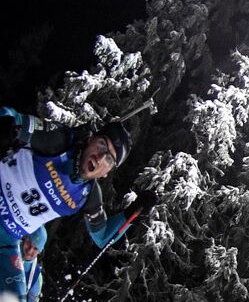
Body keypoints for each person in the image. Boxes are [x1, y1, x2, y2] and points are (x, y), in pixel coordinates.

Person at [1, 105, 150, 268]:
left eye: (109, 160)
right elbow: (12, 115)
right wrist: (7, 125)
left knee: (14, 294)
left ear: (106, 173)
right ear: (90, 139)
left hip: (7, 239)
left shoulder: (88, 195)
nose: (100, 158)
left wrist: (132, 212)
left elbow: (102, 239)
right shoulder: (60, 141)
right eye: (101, 145)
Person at [2, 225, 45, 302]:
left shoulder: (35, 277)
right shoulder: (8, 247)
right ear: (24, 238)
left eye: (35, 248)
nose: (30, 250)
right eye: (29, 242)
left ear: (40, 251)